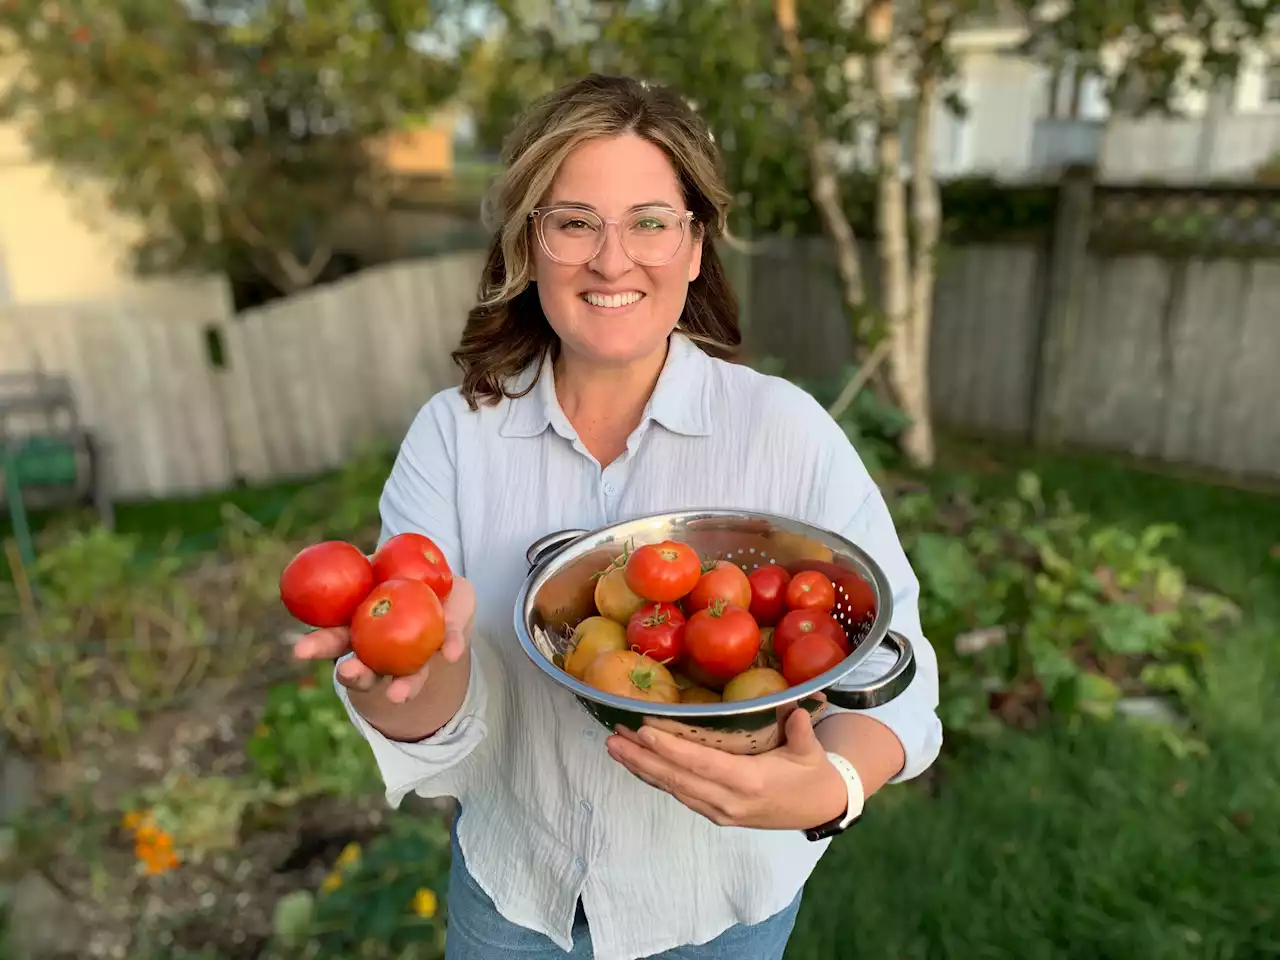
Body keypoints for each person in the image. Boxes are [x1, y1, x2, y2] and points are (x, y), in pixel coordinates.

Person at [292, 73, 942, 960]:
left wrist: (829, 787)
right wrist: (404, 683)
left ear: (695, 244)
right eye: (574, 222)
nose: (612, 259)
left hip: (722, 909)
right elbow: (443, 715)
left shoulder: (784, 431)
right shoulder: (454, 439)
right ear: (531, 242)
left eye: (649, 221)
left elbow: (903, 659)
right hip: (516, 904)